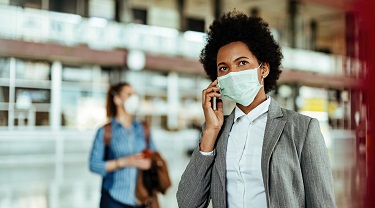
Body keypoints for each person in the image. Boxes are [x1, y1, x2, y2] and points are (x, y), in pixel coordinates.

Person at [177, 11, 336, 208]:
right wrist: (210, 131)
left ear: (263, 69)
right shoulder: (215, 131)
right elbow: (187, 203)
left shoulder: (302, 129)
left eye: (242, 63)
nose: (233, 73)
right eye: (223, 68)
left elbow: (322, 203)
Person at [89, 82, 156, 208]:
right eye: (129, 94)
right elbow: (93, 165)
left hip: (141, 199)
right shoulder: (105, 131)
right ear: (117, 100)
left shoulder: (143, 128)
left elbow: (154, 155)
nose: (134, 98)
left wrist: (149, 162)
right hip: (113, 199)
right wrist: (123, 162)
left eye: (135, 94)